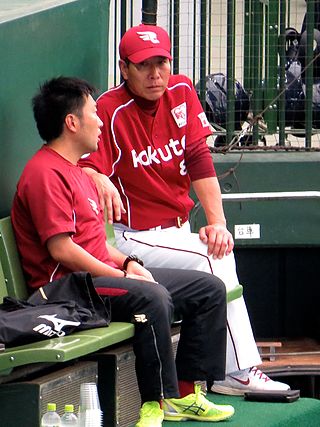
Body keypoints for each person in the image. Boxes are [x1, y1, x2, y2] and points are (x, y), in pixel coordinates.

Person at [11, 76, 235, 427]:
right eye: (92, 113)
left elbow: (97, 245)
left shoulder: (80, 173)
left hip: (93, 280)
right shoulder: (43, 173)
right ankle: (155, 402)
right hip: (66, 291)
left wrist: (129, 262)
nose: (100, 121)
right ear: (72, 122)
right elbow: (63, 250)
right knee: (152, 297)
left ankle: (187, 394)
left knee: (207, 289)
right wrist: (121, 275)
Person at [80, 24, 290, 395]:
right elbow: (80, 163)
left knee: (218, 247)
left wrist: (218, 223)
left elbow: (198, 158)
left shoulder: (181, 90)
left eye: (161, 62)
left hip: (176, 230)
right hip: (135, 238)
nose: (155, 73)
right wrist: (96, 175)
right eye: (144, 65)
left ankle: (220, 371)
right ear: (124, 67)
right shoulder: (110, 110)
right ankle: (237, 370)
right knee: (214, 263)